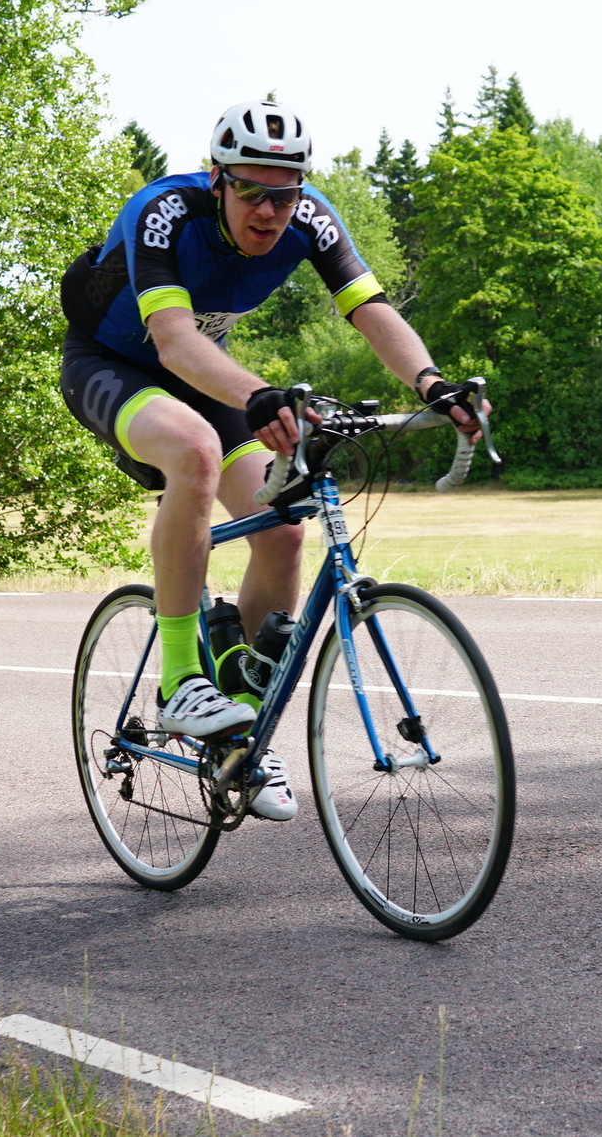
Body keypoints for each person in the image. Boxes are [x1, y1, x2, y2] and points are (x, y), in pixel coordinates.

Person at [59, 100, 484, 820]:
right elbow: (173, 341)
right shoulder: (164, 212)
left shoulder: (311, 218)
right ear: (217, 180)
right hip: (111, 365)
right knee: (194, 449)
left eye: (283, 196)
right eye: (251, 191)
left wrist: (431, 383)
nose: (269, 211)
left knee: (285, 527)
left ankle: (242, 734)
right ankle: (181, 679)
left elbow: (372, 310)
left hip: (206, 373)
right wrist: (259, 395)